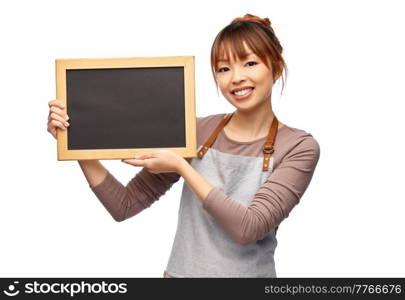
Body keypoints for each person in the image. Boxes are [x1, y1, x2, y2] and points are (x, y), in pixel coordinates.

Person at [47, 13, 320, 278]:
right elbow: (124, 206)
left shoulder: (298, 147)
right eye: (224, 68)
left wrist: (182, 166)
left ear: (276, 67)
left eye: (249, 63)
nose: (236, 77)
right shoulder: (198, 131)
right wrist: (75, 140)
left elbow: (249, 227)